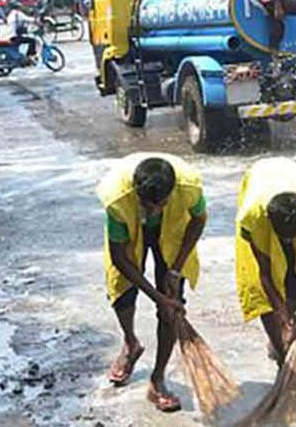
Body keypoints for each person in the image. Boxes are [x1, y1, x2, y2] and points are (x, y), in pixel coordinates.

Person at [97, 153, 207, 412]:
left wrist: (175, 270)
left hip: (170, 232)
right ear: (137, 194)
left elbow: (199, 220)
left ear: (171, 192)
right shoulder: (118, 199)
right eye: (148, 204)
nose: (154, 210)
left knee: (170, 311)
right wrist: (158, 297)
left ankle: (157, 379)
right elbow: (120, 259)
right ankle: (131, 343)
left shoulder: (189, 187)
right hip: (132, 231)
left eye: (161, 204)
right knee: (122, 293)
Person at [235, 157, 296, 366]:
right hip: (259, 180)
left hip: (290, 182)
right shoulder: (252, 216)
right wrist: (282, 316)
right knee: (260, 291)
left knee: (292, 281)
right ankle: (279, 349)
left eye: (292, 237)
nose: (288, 241)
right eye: (284, 237)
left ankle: (284, 333)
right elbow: (264, 273)